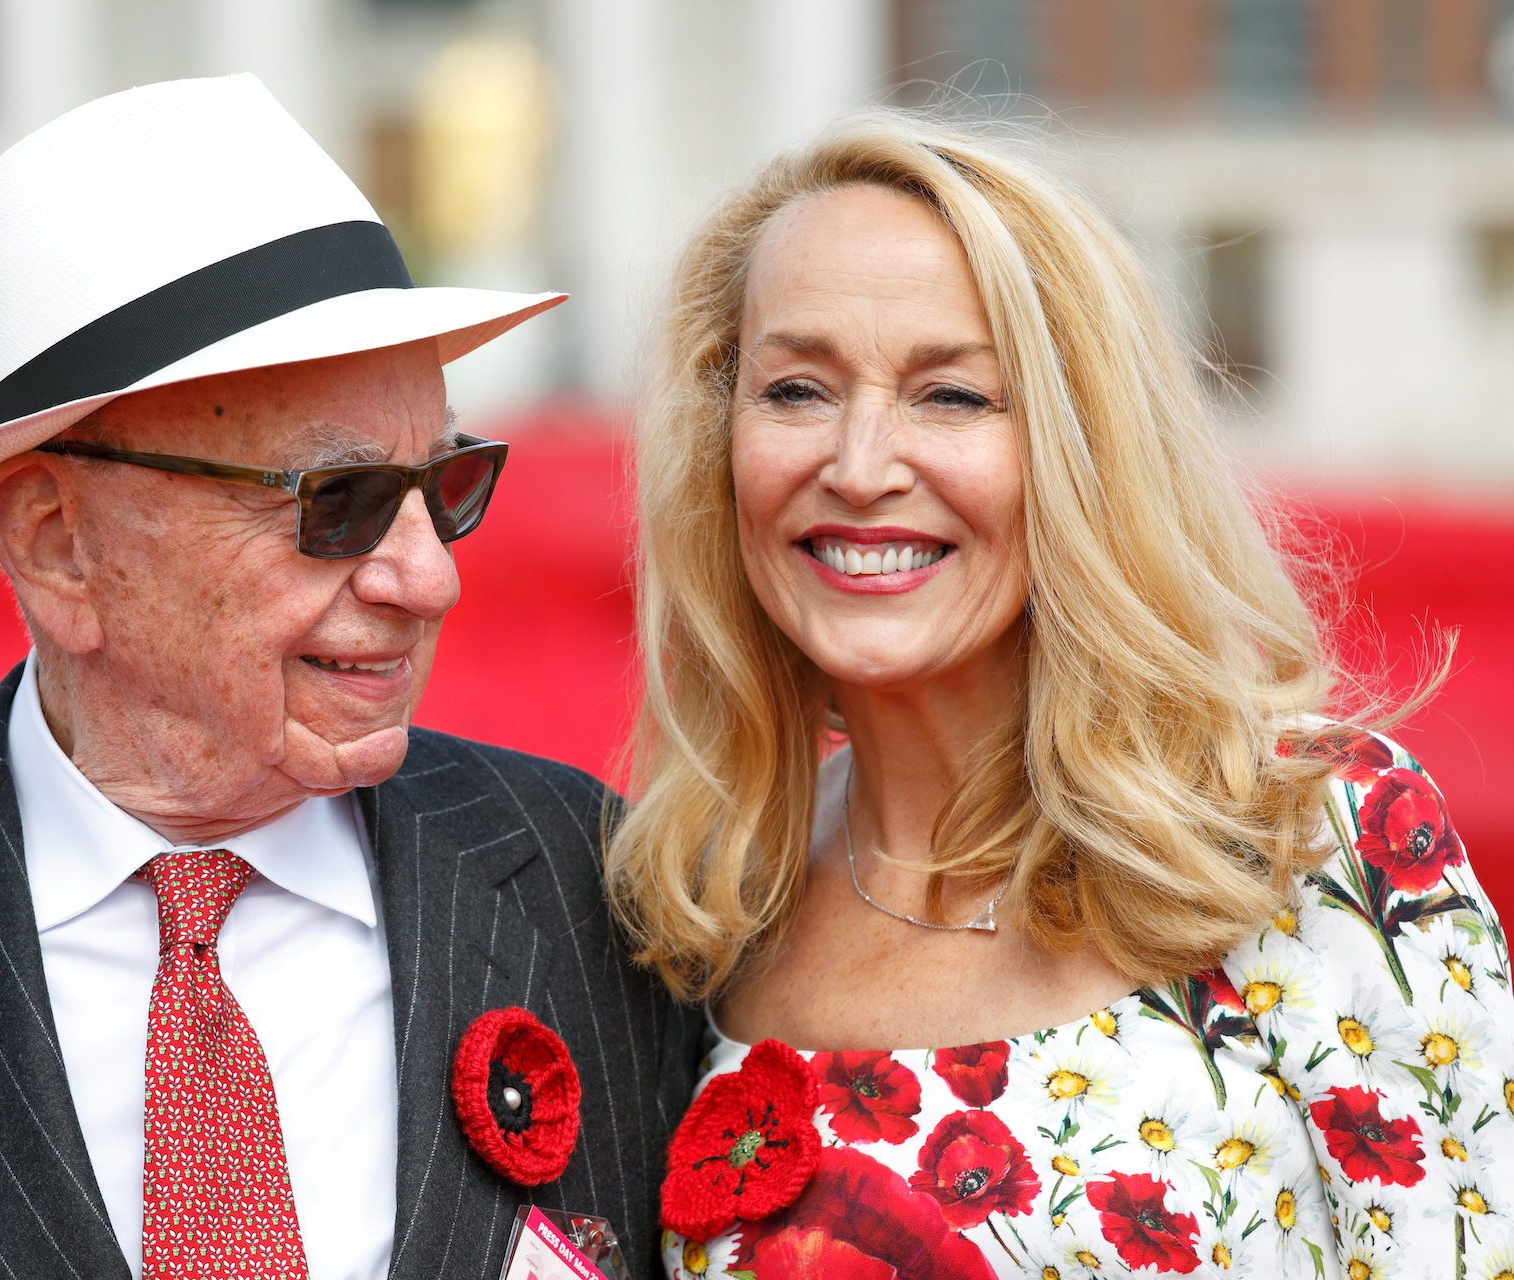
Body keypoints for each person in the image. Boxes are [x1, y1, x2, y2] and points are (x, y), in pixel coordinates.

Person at [0, 75, 699, 1280]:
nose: (428, 576)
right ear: (59, 542)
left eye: (446, 484)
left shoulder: (604, 891)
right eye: (343, 501)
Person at [608, 110, 1514, 1279]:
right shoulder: (707, 901)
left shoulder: (1307, 835)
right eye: (796, 390)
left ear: (1085, 451)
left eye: (953, 397)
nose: (861, 463)